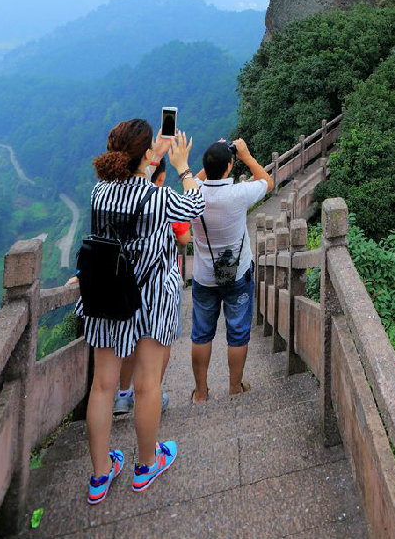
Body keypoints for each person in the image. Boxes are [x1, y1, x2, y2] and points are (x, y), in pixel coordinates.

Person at [79, 121, 203, 504]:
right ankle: (145, 465)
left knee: (102, 385)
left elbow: (131, 189)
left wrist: (153, 155)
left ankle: (100, 476)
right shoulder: (156, 198)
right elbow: (195, 205)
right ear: (144, 156)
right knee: (148, 383)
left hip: (106, 295)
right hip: (149, 298)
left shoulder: (100, 192)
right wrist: (181, 165)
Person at [190, 138, 273, 403]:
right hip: (236, 275)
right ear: (229, 167)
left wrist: (212, 156)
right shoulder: (238, 194)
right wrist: (246, 156)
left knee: (201, 333)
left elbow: (194, 179)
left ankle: (201, 393)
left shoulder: (192, 196)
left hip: (204, 277)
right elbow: (267, 182)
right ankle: (235, 387)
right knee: (237, 332)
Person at [113, 159, 190, 416]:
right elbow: (184, 236)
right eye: (160, 178)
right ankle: (151, 392)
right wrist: (185, 169)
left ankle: (123, 394)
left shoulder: (116, 198)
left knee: (129, 342)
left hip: (123, 285)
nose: (162, 183)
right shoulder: (164, 201)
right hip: (158, 289)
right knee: (160, 341)